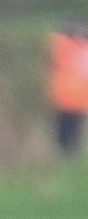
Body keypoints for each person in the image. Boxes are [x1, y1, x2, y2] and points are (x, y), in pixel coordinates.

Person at [49, 22, 88, 157]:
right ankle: (67, 154)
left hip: (72, 99)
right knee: (68, 130)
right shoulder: (71, 49)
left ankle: (67, 154)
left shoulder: (76, 49)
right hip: (68, 99)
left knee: (70, 130)